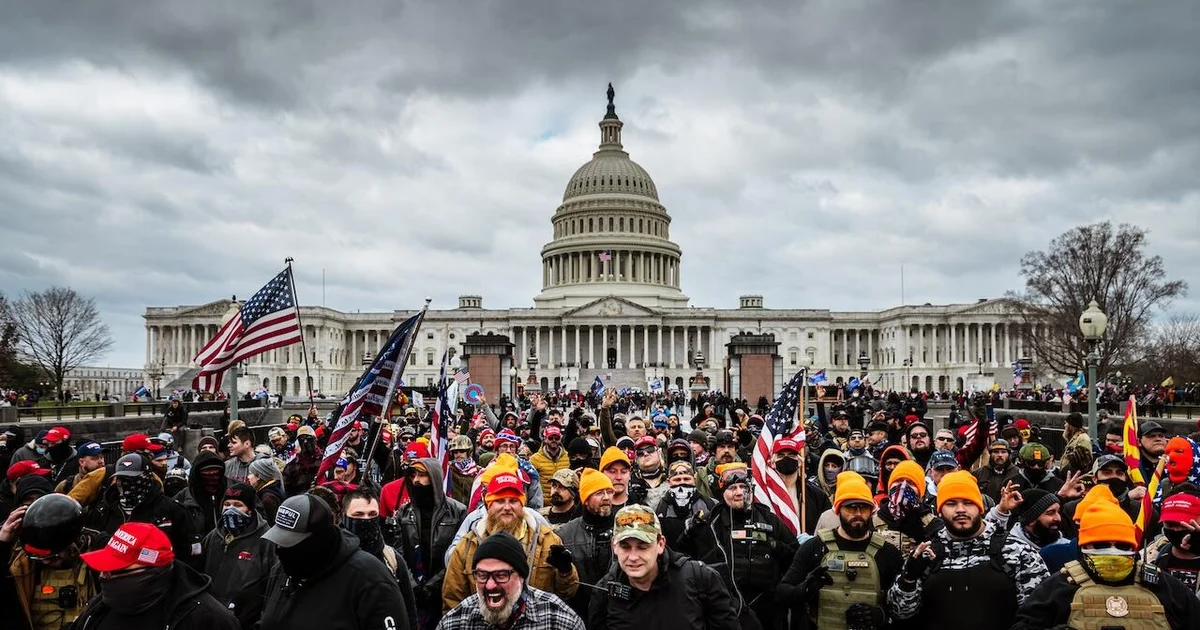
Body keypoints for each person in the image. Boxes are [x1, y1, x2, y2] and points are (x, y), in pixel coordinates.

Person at [1013, 485, 1200, 629]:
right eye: (1101, 545)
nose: (1113, 551)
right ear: (1085, 546)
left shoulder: (1162, 585)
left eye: (1122, 545)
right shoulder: (1061, 586)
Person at [887, 470, 1050, 630]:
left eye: (968, 502)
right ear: (939, 510)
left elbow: (1040, 614)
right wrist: (908, 578)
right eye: (951, 503)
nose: (960, 510)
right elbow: (900, 613)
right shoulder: (927, 554)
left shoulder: (1016, 551)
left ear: (980, 507)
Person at [259, 493, 411, 630]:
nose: (281, 549)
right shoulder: (282, 570)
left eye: (291, 543)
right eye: (278, 541)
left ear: (318, 540)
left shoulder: (370, 578)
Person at [777, 471, 903, 630]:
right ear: (838, 510)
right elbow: (782, 594)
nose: (857, 514)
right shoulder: (814, 548)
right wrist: (806, 589)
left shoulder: (887, 553)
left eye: (863, 507)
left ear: (871, 510)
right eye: (850, 507)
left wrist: (879, 615)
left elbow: (902, 607)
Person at [680, 462, 798, 630]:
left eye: (743, 486)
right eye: (732, 488)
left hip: (768, 608)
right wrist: (687, 535)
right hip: (724, 609)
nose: (739, 493)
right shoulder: (709, 522)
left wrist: (774, 546)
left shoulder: (769, 519)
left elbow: (796, 558)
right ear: (722, 492)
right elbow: (687, 563)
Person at [442, 471, 578, 611]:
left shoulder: (547, 541)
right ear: (489, 504)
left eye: (513, 501)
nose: (507, 507)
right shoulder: (468, 545)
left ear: (522, 505)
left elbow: (568, 593)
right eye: (500, 500)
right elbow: (452, 601)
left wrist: (565, 572)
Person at [588, 504, 738, 630]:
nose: (633, 557)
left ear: (660, 544)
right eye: (625, 547)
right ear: (614, 546)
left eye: (642, 547)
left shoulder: (700, 579)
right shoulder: (603, 593)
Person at [73, 522, 239, 630]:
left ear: (151, 571)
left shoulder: (207, 619)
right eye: (103, 569)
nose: (103, 576)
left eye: (115, 570)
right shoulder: (98, 608)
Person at [438, 531, 585, 629]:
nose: (490, 585)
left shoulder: (559, 620)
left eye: (501, 575)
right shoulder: (455, 622)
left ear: (521, 576)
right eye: (482, 575)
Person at [0, 493, 99, 630]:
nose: (45, 562)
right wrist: (2, 544)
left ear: (73, 545)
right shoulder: (22, 568)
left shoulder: (97, 565)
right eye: (38, 557)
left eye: (53, 557)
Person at [396, 457, 467, 630]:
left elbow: (459, 553)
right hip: (411, 590)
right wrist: (412, 584)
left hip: (444, 589)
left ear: (434, 478)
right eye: (413, 475)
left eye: (422, 475)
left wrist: (433, 586)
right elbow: (397, 552)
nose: (416, 481)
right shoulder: (404, 513)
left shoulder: (457, 512)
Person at [201, 482, 277, 629]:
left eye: (238, 505)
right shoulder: (213, 537)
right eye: (227, 504)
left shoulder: (266, 540)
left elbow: (272, 584)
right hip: (210, 617)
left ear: (250, 509)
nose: (231, 509)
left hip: (245, 622)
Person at [341, 487, 417, 624]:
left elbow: (409, 611)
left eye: (372, 514)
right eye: (358, 515)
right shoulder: (333, 557)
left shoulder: (392, 560)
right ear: (344, 516)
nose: (366, 519)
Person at [556, 469, 616, 618]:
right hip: (579, 615)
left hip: (618, 615)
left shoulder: (626, 528)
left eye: (609, 491)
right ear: (585, 499)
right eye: (599, 493)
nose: (606, 497)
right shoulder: (564, 535)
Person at [654, 459, 716, 549]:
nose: (682, 482)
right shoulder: (659, 508)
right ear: (669, 482)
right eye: (677, 480)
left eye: (686, 479)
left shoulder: (710, 504)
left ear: (694, 480)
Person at [529, 425, 570, 504]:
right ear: (545, 439)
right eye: (550, 438)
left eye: (557, 438)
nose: (554, 440)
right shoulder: (535, 459)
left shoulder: (568, 457)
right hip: (543, 504)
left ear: (560, 439)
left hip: (564, 502)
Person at [973, 439, 1020, 504]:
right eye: (996, 452)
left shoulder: (1018, 473)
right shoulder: (978, 474)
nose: (1000, 455)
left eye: (1003, 452)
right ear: (990, 454)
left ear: (1008, 454)